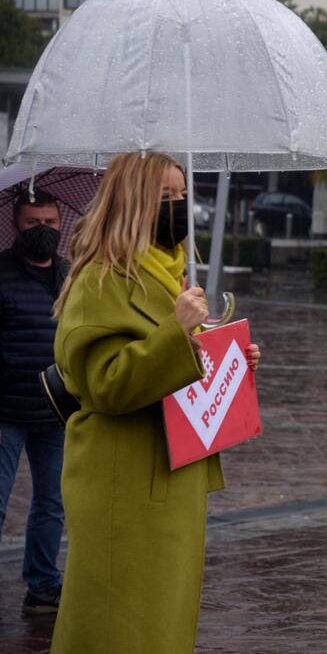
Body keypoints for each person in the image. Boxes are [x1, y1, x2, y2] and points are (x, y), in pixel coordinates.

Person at [49, 152, 260, 653]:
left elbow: (179, 369)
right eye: (164, 196)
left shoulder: (173, 275)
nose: (178, 205)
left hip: (170, 475)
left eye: (181, 194)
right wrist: (177, 332)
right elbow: (107, 384)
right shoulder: (101, 280)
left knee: (160, 622)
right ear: (132, 202)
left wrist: (232, 356)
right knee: (118, 624)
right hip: (125, 483)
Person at [0, 188, 67, 615]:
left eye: (51, 223)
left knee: (52, 503)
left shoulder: (70, 274)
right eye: (32, 223)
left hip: (56, 411)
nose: (42, 231)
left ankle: (43, 584)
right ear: (15, 226)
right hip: (4, 410)